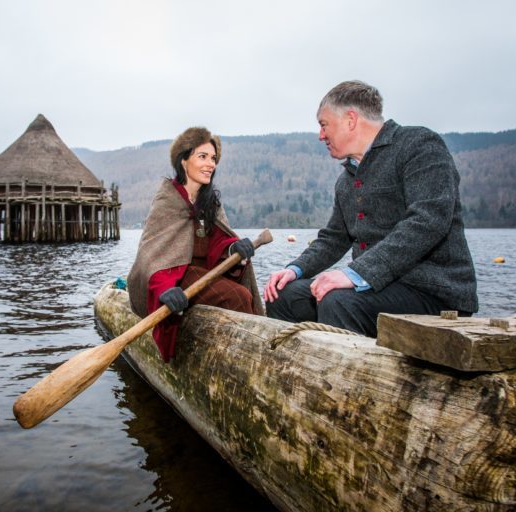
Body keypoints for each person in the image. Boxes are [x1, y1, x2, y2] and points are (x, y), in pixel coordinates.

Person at [264, 80, 478, 337]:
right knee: (283, 296)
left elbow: (427, 221)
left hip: (434, 292)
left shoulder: (419, 145)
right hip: (379, 290)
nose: (321, 135)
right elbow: (334, 238)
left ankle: (342, 376)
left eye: (324, 125)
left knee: (338, 300)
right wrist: (294, 269)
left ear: (350, 119)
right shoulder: (347, 179)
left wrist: (354, 274)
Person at [128, 127, 264, 362]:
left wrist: (235, 249)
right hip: (178, 277)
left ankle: (250, 351)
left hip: (206, 273)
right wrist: (165, 292)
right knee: (237, 297)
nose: (210, 164)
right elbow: (152, 257)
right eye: (202, 157)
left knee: (242, 294)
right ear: (183, 160)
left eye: (213, 158)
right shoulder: (167, 200)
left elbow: (219, 242)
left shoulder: (210, 202)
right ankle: (250, 357)